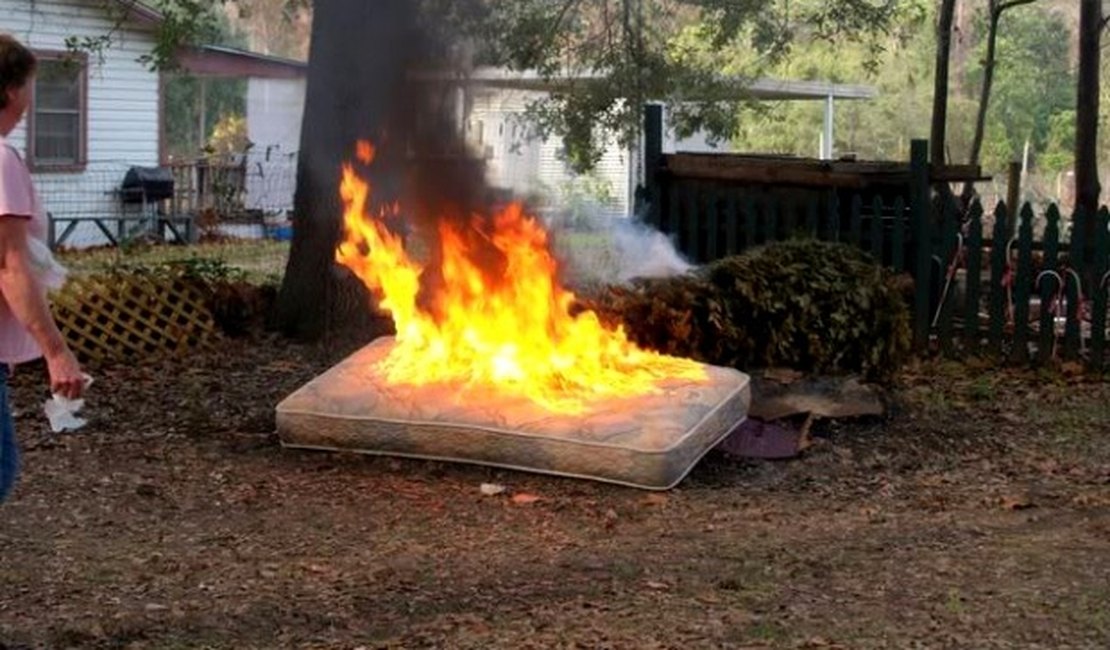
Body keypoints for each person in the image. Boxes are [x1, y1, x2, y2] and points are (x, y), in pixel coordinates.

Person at [0, 34, 87, 503]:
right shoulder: (1, 160)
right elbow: (10, 265)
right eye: (31, 86)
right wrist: (57, 352)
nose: (32, 99)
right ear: (12, 91)